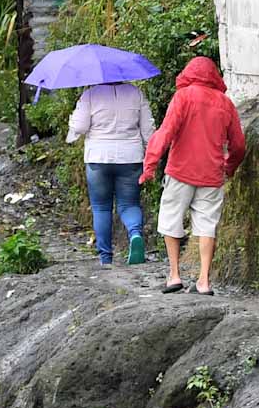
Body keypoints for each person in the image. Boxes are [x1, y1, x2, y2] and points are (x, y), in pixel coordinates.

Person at [140, 56, 247, 296]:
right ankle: (203, 281)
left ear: (189, 73)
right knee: (207, 227)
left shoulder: (183, 97)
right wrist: (229, 167)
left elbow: (165, 133)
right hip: (211, 174)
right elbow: (239, 145)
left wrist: (150, 165)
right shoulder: (225, 103)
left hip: (180, 171)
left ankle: (174, 275)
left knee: (170, 220)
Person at [67, 81, 154, 267]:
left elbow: (80, 127)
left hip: (98, 157)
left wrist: (72, 119)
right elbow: (148, 129)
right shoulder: (135, 93)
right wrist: (151, 153)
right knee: (129, 204)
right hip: (130, 157)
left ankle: (106, 258)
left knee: (101, 208)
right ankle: (135, 233)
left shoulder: (90, 94)